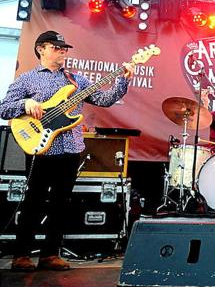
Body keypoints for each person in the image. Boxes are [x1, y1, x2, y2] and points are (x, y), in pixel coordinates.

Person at [0, 30, 134, 272]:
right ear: (41, 48)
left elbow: (104, 100)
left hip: (70, 148)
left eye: (65, 48)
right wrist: (25, 104)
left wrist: (122, 80)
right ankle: (21, 255)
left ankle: (50, 254)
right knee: (33, 202)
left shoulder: (76, 80)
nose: (63, 51)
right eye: (57, 47)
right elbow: (5, 108)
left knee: (61, 204)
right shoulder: (27, 80)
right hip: (40, 148)